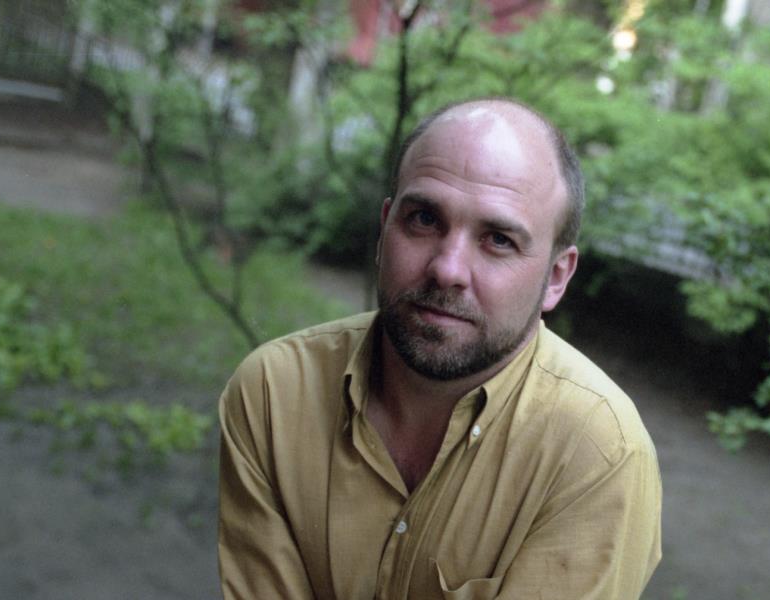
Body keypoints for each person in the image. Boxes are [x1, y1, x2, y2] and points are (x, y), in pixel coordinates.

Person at [217, 97, 662, 599]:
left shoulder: (598, 452)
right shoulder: (275, 392)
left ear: (556, 278)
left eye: (498, 239)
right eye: (425, 219)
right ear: (385, 228)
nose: (447, 269)